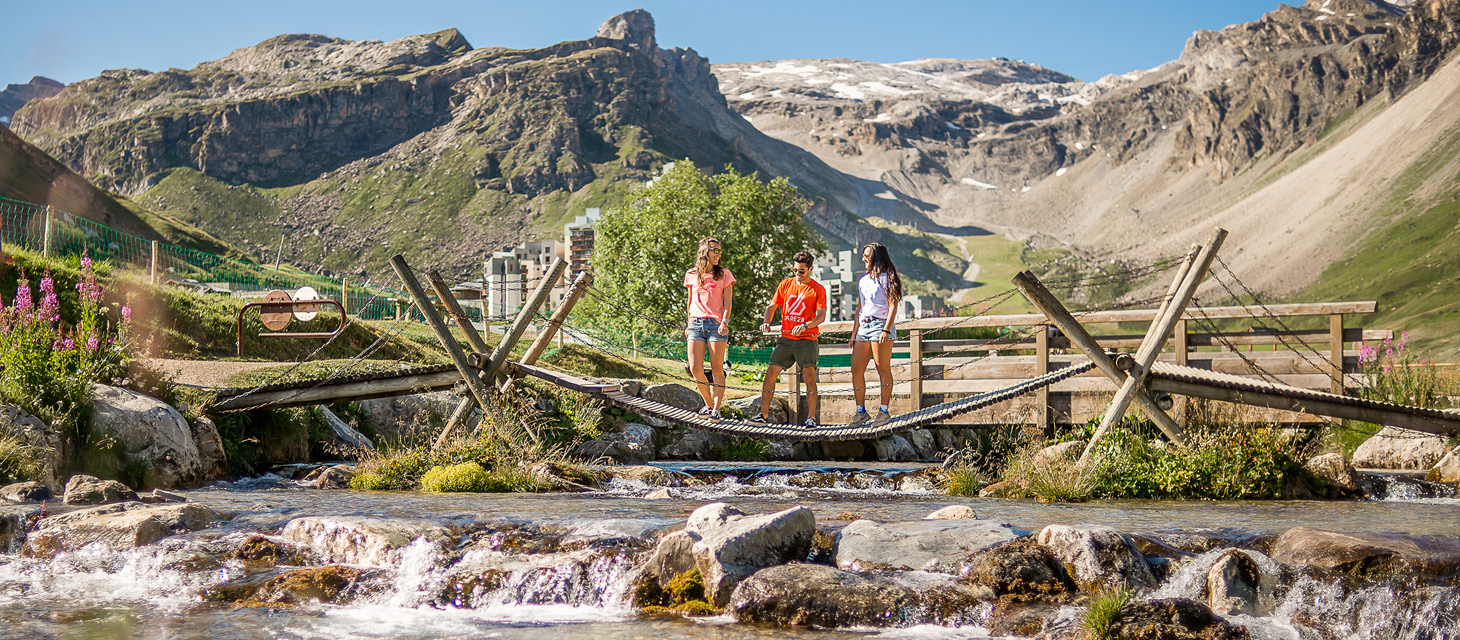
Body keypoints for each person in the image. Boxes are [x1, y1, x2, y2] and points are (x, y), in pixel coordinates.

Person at [751, 250, 826, 428]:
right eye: (795, 270)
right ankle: (763, 415)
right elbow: (772, 305)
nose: (797, 274)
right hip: (786, 338)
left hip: (807, 339)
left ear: (810, 269)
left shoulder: (817, 289)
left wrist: (807, 325)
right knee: (770, 373)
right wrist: (766, 322)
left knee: (809, 376)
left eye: (801, 271)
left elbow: (821, 315)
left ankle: (811, 419)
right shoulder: (785, 284)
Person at [849, 242, 903, 428]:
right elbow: (860, 307)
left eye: (867, 255)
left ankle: (884, 410)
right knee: (856, 368)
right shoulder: (863, 280)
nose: (863, 259)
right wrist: (854, 332)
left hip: (881, 325)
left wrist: (886, 330)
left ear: (876, 257)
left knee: (882, 369)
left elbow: (893, 305)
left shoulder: (889, 278)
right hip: (864, 327)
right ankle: (861, 412)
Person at [684, 237, 734, 418]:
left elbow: (728, 303)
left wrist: (724, 322)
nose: (719, 255)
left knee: (717, 369)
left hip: (716, 326)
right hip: (696, 324)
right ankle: (709, 405)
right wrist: (689, 324)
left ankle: (717, 410)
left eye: (720, 251)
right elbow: (690, 302)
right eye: (715, 250)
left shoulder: (724, 274)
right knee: (695, 368)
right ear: (705, 251)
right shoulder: (691, 274)